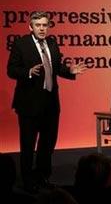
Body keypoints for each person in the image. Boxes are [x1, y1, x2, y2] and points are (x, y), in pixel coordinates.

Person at [7, 11, 87, 192]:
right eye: (38, 25)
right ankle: (27, 182)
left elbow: (57, 67)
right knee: (28, 146)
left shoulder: (52, 43)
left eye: (45, 25)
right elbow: (11, 70)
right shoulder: (21, 44)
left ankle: (43, 178)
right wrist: (27, 72)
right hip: (28, 104)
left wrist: (70, 71)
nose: (42, 29)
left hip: (51, 104)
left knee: (47, 145)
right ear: (30, 27)